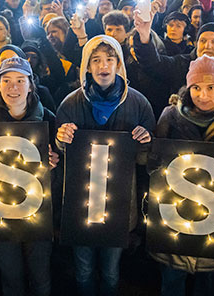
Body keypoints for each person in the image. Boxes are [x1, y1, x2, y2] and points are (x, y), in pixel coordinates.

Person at [56, 35, 155, 296]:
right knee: (84, 269)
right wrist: (61, 139)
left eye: (110, 59)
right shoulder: (70, 104)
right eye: (96, 60)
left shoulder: (138, 103)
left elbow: (146, 160)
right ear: (87, 67)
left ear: (119, 64)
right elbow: (61, 156)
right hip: (80, 205)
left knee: (111, 272)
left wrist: (146, 142)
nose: (103, 66)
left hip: (120, 205)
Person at [150, 54, 214, 296]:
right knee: (172, 284)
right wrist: (153, 162)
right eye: (196, 87)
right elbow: (153, 161)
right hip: (175, 223)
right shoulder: (170, 116)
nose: (203, 95)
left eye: (211, 87)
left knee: (206, 287)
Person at [0, 57, 59, 296]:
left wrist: (55, 164)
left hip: (38, 212)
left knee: (40, 277)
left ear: (31, 85)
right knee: (10, 277)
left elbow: (64, 174)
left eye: (20, 80)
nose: (13, 87)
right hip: (1, 212)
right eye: (7, 80)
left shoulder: (49, 120)